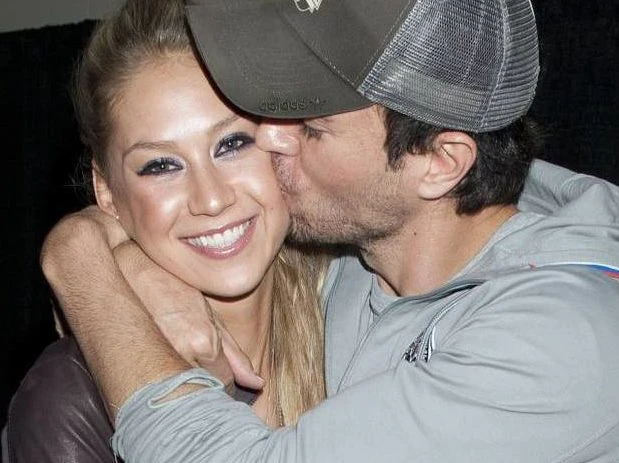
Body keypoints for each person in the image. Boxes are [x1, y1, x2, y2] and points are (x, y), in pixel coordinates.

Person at [40, 0, 619, 461]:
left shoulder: (562, 340)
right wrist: (119, 253)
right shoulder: (353, 255)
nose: (269, 136)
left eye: (310, 126)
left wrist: (74, 261)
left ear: (439, 163)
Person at [3, 0, 329, 461]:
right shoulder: (70, 402)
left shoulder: (365, 311)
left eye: (232, 144)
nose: (211, 199)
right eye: (161, 165)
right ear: (106, 192)